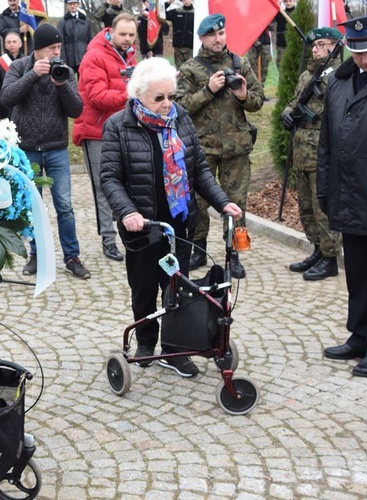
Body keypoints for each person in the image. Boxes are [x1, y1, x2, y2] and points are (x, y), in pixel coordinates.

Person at [100, 56, 242, 378]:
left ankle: (175, 349)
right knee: (144, 288)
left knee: (180, 290)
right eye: (159, 98)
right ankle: (146, 342)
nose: (167, 104)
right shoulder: (118, 127)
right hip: (143, 226)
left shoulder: (182, 120)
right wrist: (128, 212)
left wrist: (222, 202)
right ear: (139, 95)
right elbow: (109, 178)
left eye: (171, 97)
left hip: (179, 222)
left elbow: (200, 170)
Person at [176, 13, 264, 279]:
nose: (218, 39)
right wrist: (209, 90)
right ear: (202, 38)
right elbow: (180, 107)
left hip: (236, 148)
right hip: (203, 149)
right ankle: (199, 249)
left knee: (237, 203)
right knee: (198, 203)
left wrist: (243, 94)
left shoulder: (239, 63)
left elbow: (258, 101)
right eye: (212, 35)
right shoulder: (191, 68)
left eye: (221, 33)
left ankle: (235, 254)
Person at [318, 13, 367, 378]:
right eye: (358, 53)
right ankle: (360, 335)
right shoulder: (340, 84)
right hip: (350, 195)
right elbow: (327, 143)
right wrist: (325, 191)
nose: (366, 60)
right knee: (358, 273)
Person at [1, 23, 89, 279]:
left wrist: (60, 83)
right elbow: (6, 98)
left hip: (56, 150)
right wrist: (33, 75)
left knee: (65, 206)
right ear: (38, 50)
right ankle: (36, 255)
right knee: (33, 207)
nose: (56, 52)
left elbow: (76, 110)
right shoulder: (19, 67)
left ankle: (72, 257)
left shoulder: (65, 70)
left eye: (59, 47)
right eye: (52, 48)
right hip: (27, 149)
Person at [72, 13, 138, 263]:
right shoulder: (94, 56)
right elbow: (98, 97)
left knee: (128, 184)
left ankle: (128, 234)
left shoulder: (130, 55)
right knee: (104, 187)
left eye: (132, 35)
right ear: (111, 31)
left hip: (125, 128)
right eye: (123, 34)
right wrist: (131, 93)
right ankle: (108, 240)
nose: (128, 39)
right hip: (96, 131)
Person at [280, 27, 342, 281]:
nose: (314, 49)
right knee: (306, 207)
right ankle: (317, 249)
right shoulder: (308, 74)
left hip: (321, 151)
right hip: (301, 149)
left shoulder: (338, 75)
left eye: (320, 45)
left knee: (321, 208)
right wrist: (286, 112)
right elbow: (295, 102)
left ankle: (330, 258)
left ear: (334, 47)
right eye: (313, 45)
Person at [0, 31, 25, 118]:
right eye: (9, 42)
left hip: (24, 105)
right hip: (6, 107)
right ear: (5, 45)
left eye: (14, 42)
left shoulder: (27, 61)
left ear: (20, 44)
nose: (12, 44)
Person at [57, 0, 93, 76]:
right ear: (67, 5)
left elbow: (90, 40)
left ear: (78, 4)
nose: (72, 6)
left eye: (74, 4)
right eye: (70, 4)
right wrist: (63, 59)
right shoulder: (62, 22)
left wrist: (90, 56)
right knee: (69, 80)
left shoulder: (86, 21)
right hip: (69, 57)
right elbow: (61, 42)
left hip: (83, 55)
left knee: (84, 80)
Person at [165, 0, 194, 67]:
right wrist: (168, 3)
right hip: (178, 47)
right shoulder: (176, 12)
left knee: (190, 69)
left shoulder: (196, 13)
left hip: (191, 47)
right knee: (179, 70)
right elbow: (162, 14)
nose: (186, 1)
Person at [272, 0, 296, 71]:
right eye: (286, 1)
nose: (288, 3)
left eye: (290, 1)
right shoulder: (281, 13)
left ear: (294, 1)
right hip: (282, 44)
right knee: (281, 65)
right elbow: (274, 10)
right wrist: (279, 2)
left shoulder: (298, 13)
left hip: (293, 43)